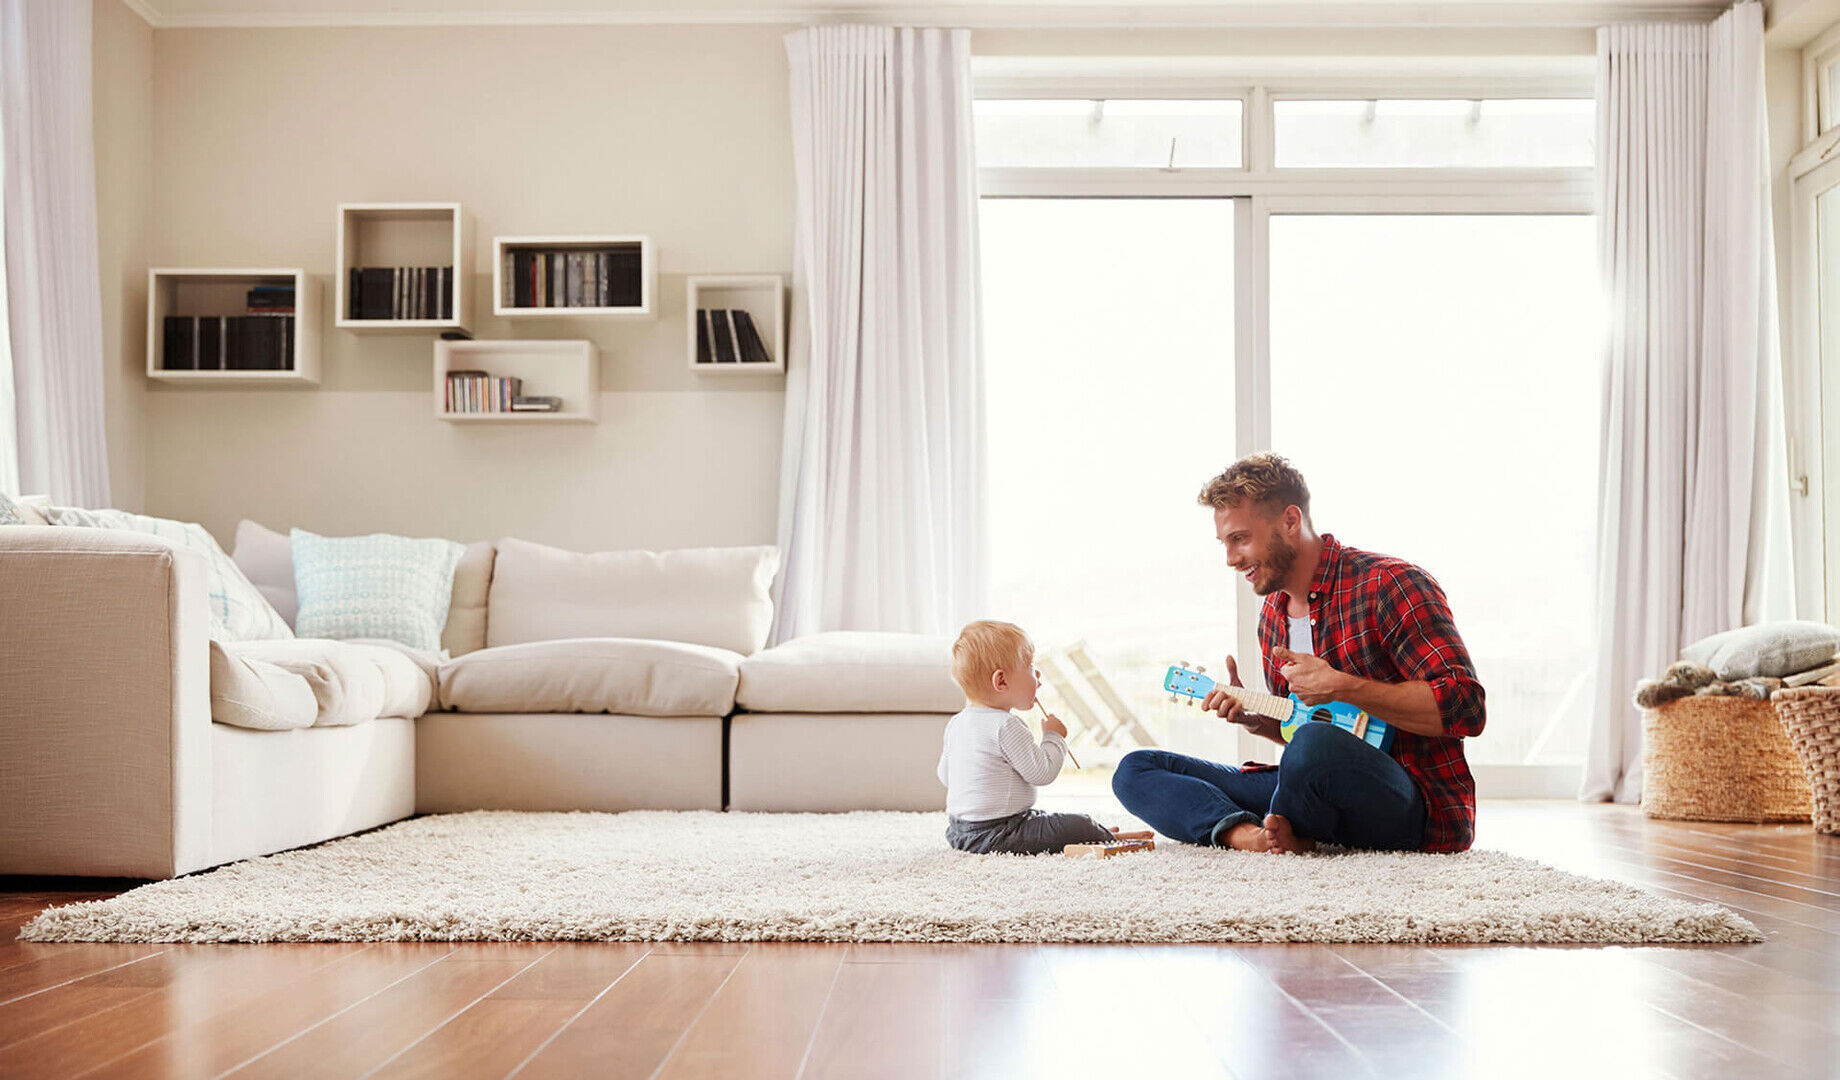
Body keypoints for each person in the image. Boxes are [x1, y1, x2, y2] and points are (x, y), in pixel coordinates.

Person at [1112, 453, 1486, 854]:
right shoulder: (1272, 617)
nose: (1231, 559)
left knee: (1314, 744)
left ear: (1290, 521)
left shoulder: (1390, 585)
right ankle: (1247, 835)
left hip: (1412, 801)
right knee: (1135, 770)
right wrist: (1258, 720)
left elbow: (1466, 708)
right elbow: (1300, 729)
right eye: (1225, 543)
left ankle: (1288, 824)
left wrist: (1343, 687)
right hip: (1316, 790)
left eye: (1240, 539)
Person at [938, 620, 1151, 855]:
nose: (1038, 673)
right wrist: (1054, 736)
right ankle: (1102, 836)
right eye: (1030, 666)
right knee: (1078, 822)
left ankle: (1091, 833)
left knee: (1044, 820)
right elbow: (1042, 773)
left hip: (959, 832)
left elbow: (946, 776)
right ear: (1001, 681)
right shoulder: (1006, 725)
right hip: (999, 835)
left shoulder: (957, 723)